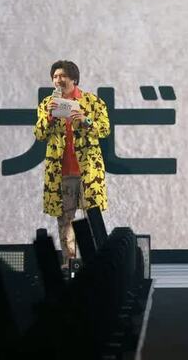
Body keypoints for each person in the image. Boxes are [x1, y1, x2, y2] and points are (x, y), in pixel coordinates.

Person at [34, 60, 110, 268]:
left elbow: (105, 129)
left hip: (88, 172)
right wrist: (49, 117)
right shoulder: (48, 104)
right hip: (61, 172)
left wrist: (86, 120)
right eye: (55, 77)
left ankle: (97, 264)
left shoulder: (92, 101)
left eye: (63, 76)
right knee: (65, 221)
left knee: (92, 219)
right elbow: (39, 134)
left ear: (74, 79)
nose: (58, 80)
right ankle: (70, 264)